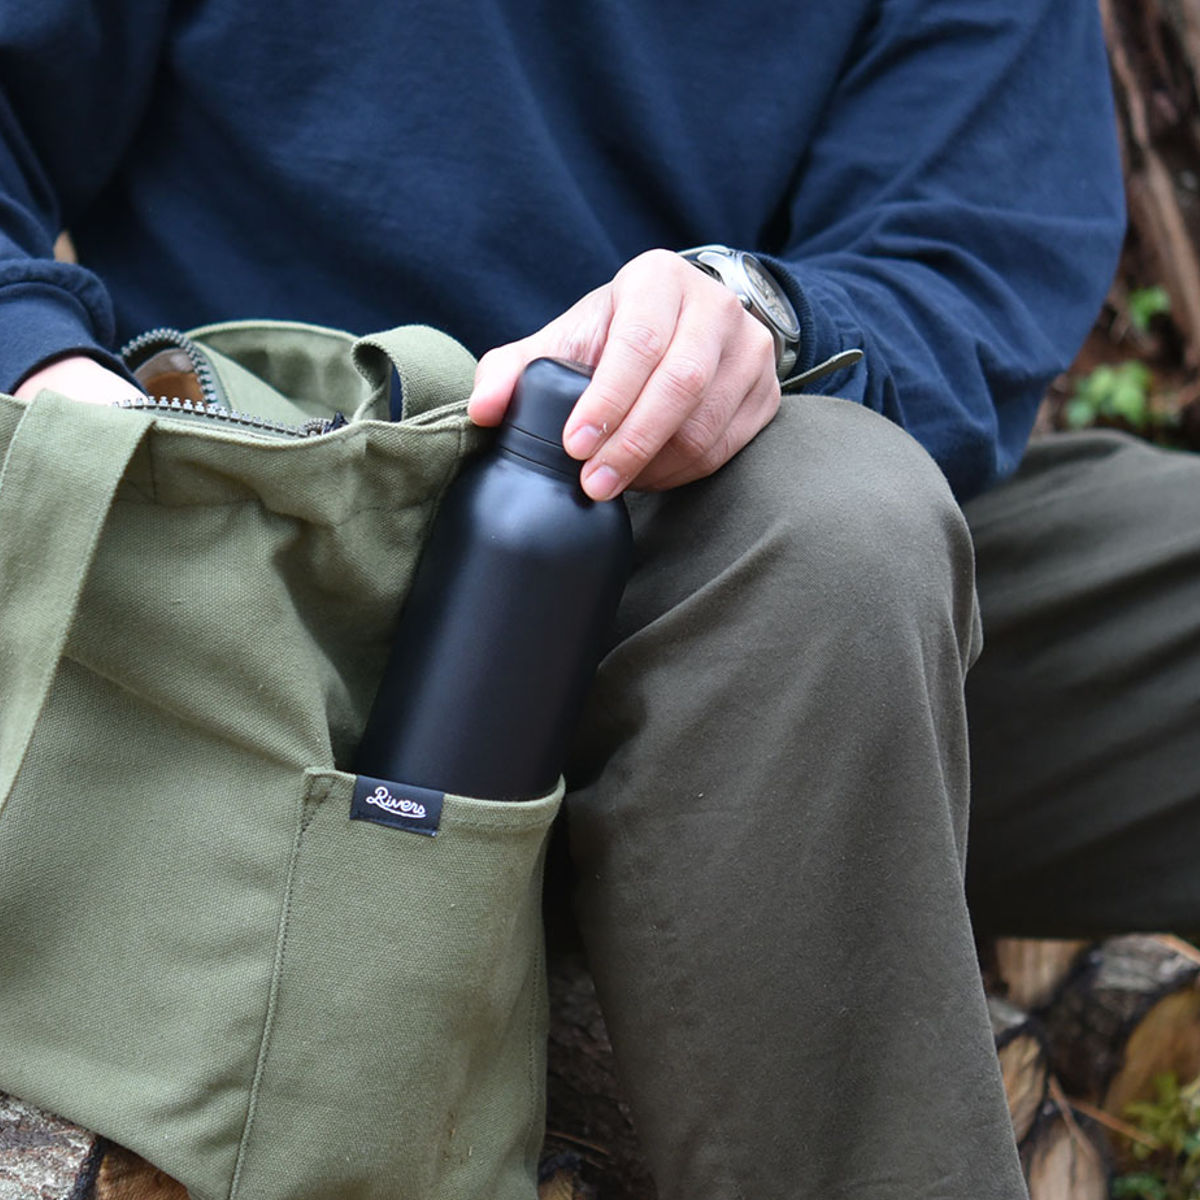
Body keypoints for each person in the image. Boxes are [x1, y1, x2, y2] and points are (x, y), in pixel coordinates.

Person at [2, 2, 1187, 1198]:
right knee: (840, 532)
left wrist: (763, 317)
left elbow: (969, 246)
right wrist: (48, 367)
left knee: (840, 522)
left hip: (755, 537)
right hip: (307, 557)